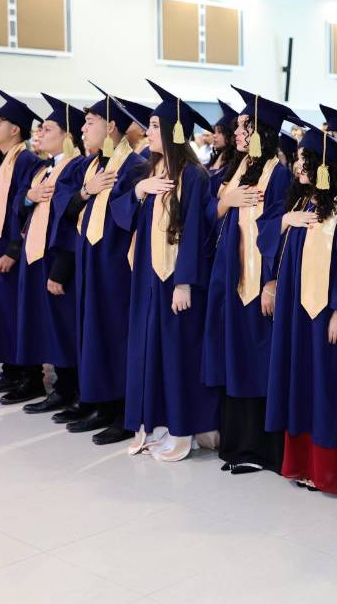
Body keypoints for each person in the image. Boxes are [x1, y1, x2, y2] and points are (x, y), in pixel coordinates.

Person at [121, 82, 220, 462]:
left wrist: (185, 283)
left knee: (178, 354)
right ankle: (157, 424)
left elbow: (196, 231)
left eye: (154, 126)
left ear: (173, 131)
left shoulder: (194, 176)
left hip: (176, 280)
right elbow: (122, 214)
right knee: (149, 351)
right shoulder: (151, 170)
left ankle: (183, 429)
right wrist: (139, 191)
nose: (147, 132)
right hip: (147, 279)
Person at [203, 86, 299, 475]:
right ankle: (237, 444)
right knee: (235, 360)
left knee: (260, 363)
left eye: (245, 126)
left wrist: (272, 282)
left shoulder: (279, 175)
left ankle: (262, 450)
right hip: (231, 278)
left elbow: (280, 231)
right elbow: (211, 215)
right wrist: (225, 202)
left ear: (262, 132)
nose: (238, 132)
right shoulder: (237, 168)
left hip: (259, 282)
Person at [266, 125, 337, 492]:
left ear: (324, 166)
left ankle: (329, 471)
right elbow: (272, 246)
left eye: (306, 160)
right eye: (298, 159)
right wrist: (283, 222)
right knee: (302, 383)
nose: (298, 166)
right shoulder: (301, 203)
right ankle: (302, 463)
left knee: (327, 386)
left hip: (326, 313)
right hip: (297, 312)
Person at [67, 84, 146, 444]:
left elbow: (131, 218)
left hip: (117, 265)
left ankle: (124, 413)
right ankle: (100, 403)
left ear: (111, 126)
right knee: (93, 332)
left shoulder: (135, 166)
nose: (83, 129)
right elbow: (68, 208)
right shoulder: (93, 165)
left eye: (90, 122)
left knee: (116, 336)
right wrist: (87, 190)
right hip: (90, 261)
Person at [12, 95, 89, 415]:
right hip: (35, 254)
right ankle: (52, 382)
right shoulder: (44, 169)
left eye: (47, 129)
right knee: (46, 323)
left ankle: (69, 388)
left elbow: (74, 220)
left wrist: (62, 266)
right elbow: (19, 205)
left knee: (63, 325)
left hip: (57, 258)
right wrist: (29, 196)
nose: (39, 134)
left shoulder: (79, 167)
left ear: (67, 135)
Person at [0, 86, 44, 401]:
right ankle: (10, 371)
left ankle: (29, 377)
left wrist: (14, 250)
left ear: (15, 130)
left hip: (10, 247)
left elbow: (27, 210)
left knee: (17, 312)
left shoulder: (27, 161)